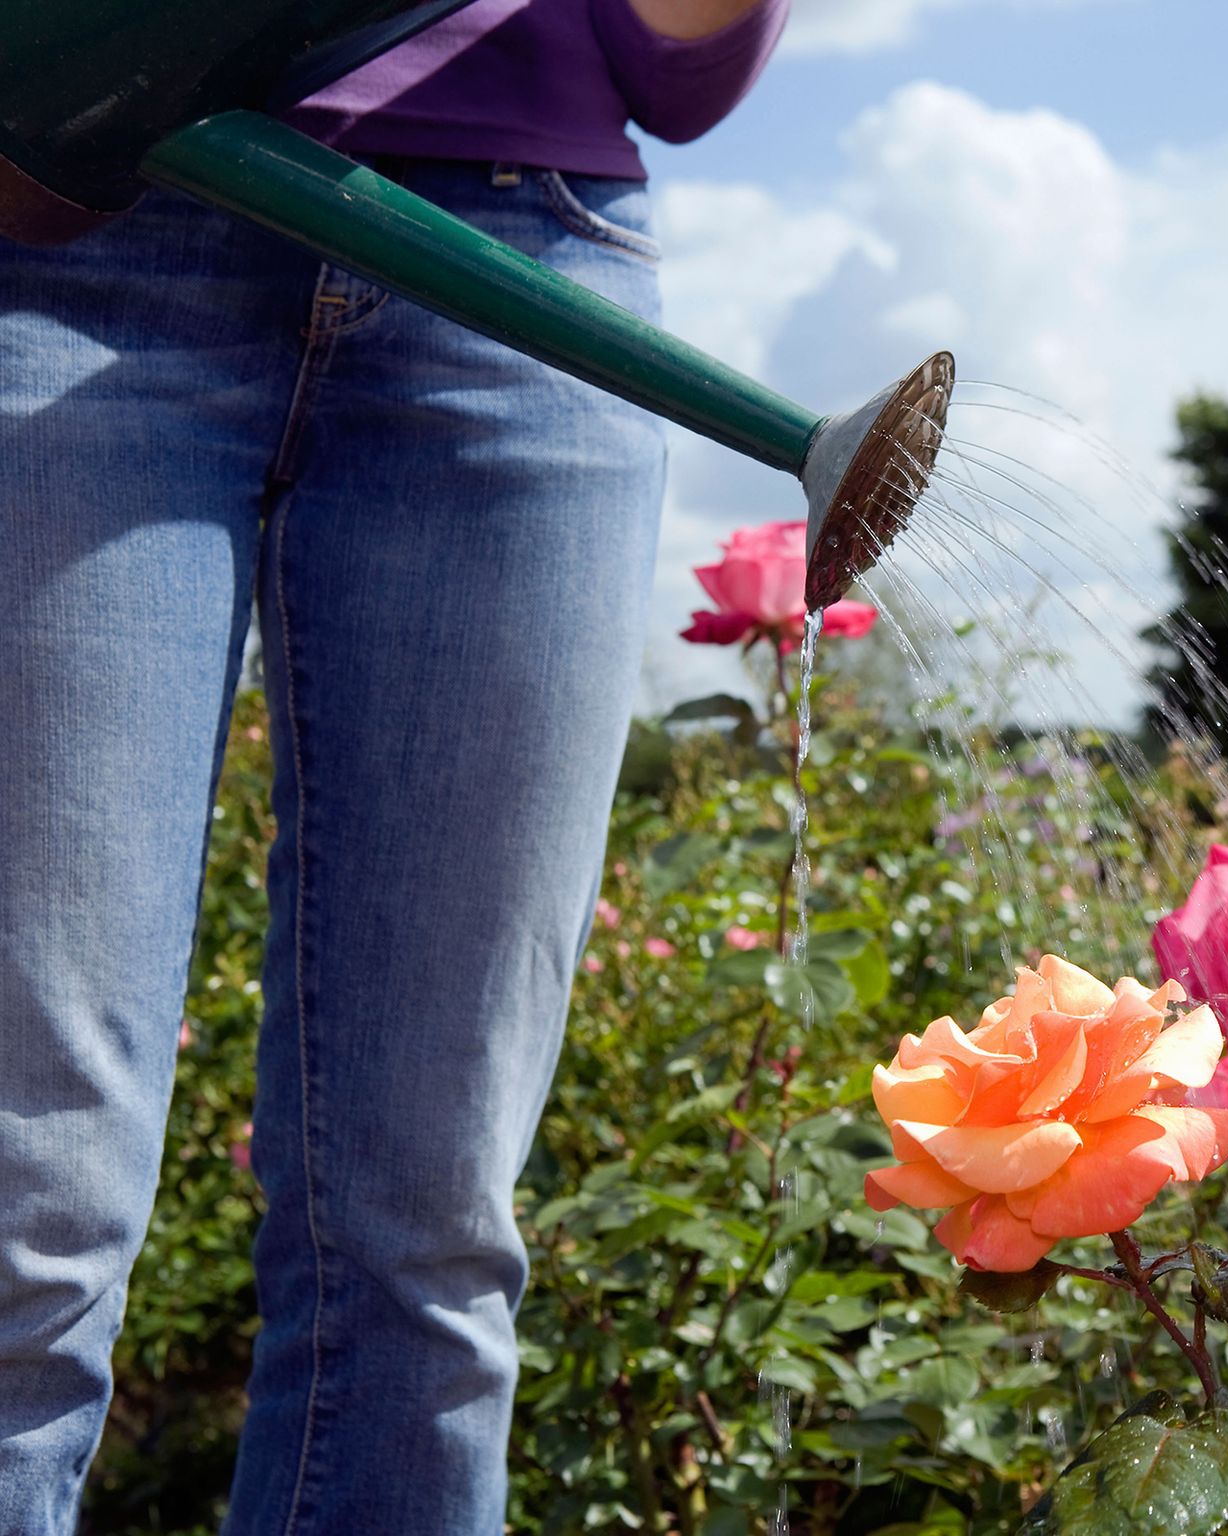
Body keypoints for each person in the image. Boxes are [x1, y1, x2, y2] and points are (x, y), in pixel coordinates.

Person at [0, 0, 788, 1529]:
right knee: (26, 1208)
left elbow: (684, 67)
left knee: (427, 1242)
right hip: (69, 220)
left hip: (520, 276)